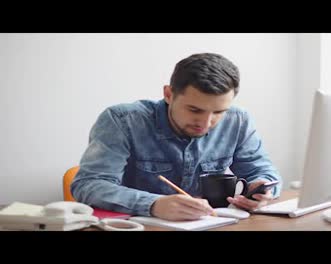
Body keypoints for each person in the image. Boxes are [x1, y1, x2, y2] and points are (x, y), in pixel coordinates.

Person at [71, 53, 282, 221]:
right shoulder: (122, 120)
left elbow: (261, 170)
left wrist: (262, 190)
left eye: (218, 112)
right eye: (194, 110)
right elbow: (89, 184)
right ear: (169, 95)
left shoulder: (238, 120)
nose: (206, 123)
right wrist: (153, 204)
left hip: (209, 223)